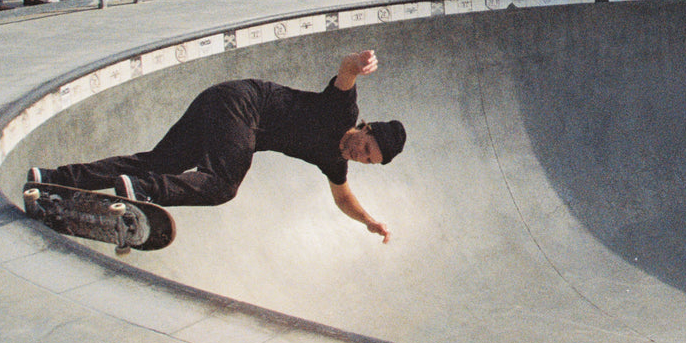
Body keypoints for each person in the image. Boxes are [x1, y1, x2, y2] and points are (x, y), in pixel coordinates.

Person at [27, 50, 404, 243]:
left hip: (222, 102)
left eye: (367, 160)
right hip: (242, 104)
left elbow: (342, 199)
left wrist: (368, 220)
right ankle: (142, 190)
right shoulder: (342, 110)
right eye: (365, 146)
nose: (358, 155)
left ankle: (54, 179)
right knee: (223, 184)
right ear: (364, 127)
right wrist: (359, 61)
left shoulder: (334, 161)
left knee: (160, 161)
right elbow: (346, 72)